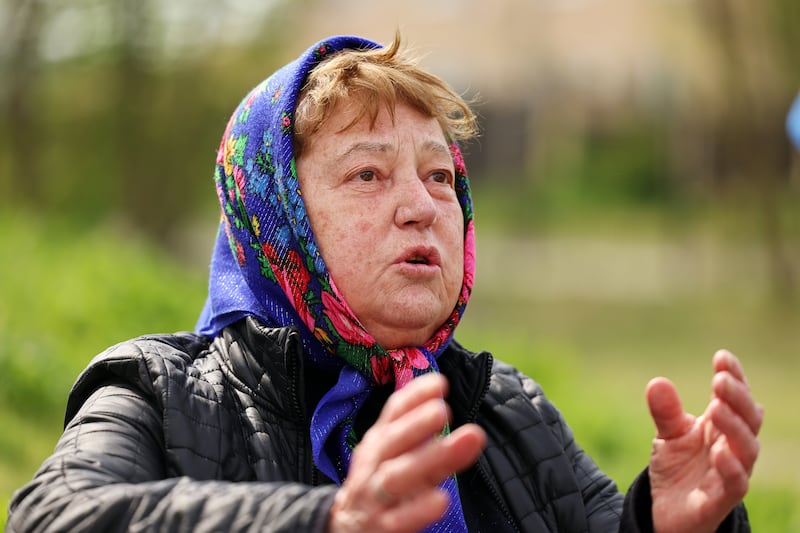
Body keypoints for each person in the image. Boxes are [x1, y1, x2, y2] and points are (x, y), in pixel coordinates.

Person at [7, 34, 763, 533]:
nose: (422, 206)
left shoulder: (504, 410)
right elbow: (51, 518)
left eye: (440, 176)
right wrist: (329, 520)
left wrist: (667, 524)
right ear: (277, 220)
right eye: (368, 173)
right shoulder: (158, 392)